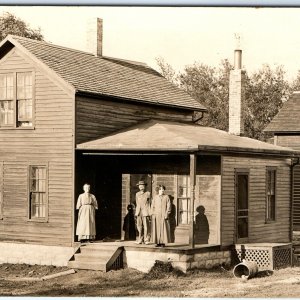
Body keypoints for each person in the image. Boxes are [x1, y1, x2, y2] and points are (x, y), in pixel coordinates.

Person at [135, 180, 151, 244]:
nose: (141, 187)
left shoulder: (148, 193)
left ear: (145, 186)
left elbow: (150, 203)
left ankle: (146, 239)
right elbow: (137, 203)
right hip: (139, 212)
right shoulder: (137, 194)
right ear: (138, 187)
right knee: (139, 226)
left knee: (146, 226)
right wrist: (137, 211)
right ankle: (140, 239)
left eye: (142, 185)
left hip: (145, 211)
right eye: (140, 186)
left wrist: (150, 212)